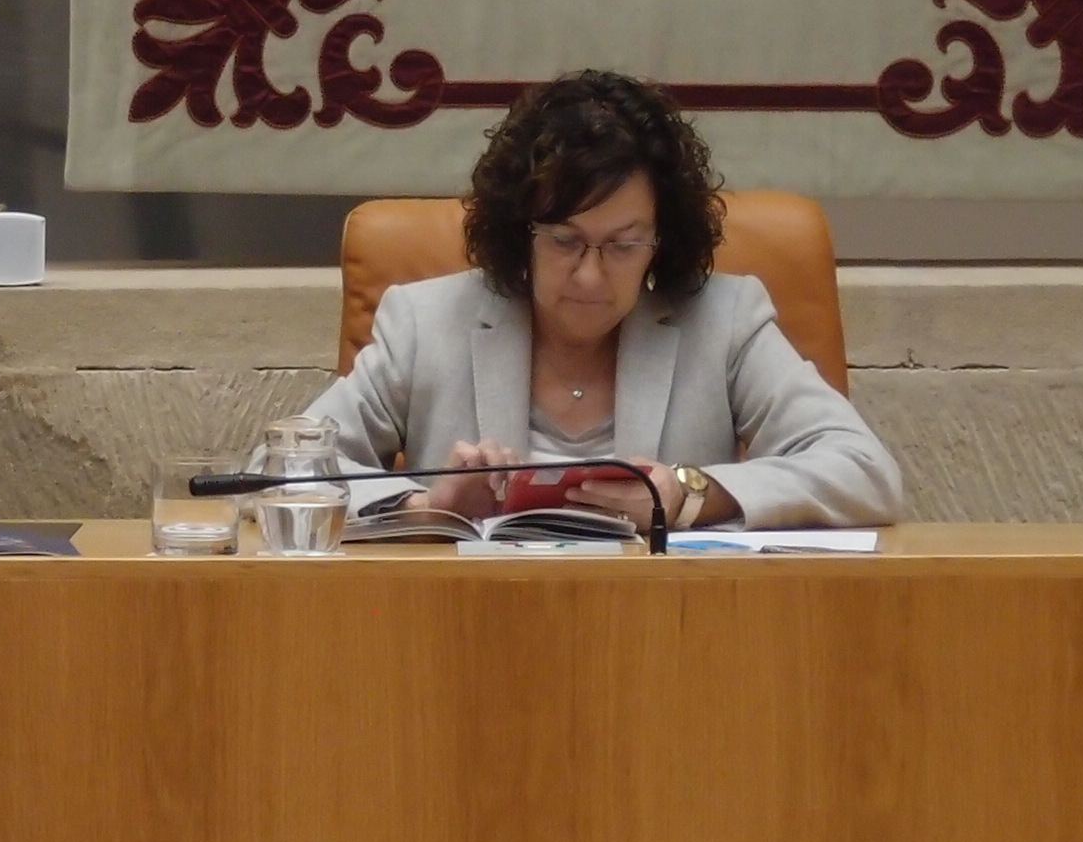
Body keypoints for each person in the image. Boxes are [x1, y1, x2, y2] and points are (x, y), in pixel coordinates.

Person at [301, 69, 904, 530]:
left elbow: (865, 472)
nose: (589, 276)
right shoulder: (423, 322)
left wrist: (688, 494)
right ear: (521, 233)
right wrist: (428, 505)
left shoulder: (725, 320)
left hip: (666, 634)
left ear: (660, 244)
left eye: (622, 245)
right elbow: (282, 470)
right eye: (565, 241)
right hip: (466, 632)